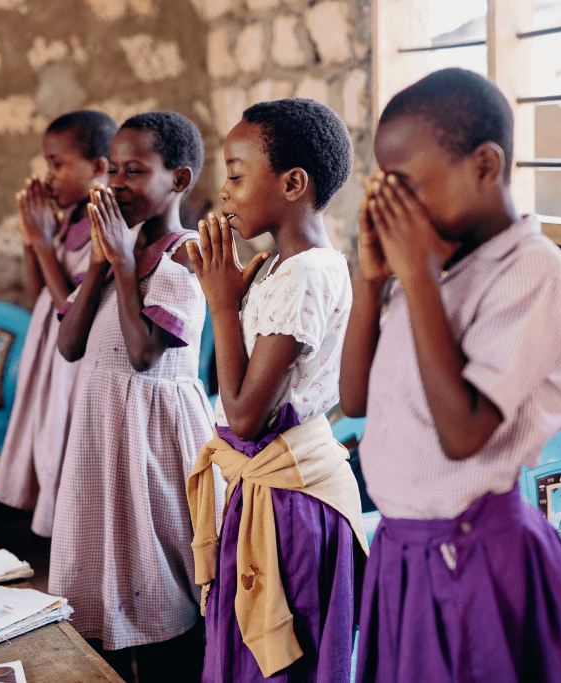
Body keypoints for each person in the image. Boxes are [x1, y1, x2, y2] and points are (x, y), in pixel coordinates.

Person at [340, 68, 561, 683]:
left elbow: (463, 433)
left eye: (411, 188)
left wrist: (417, 277)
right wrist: (373, 282)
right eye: (386, 192)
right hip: (405, 550)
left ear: (484, 165)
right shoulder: (437, 266)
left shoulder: (532, 272)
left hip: (476, 558)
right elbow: (354, 399)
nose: (398, 212)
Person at [185, 98, 368, 683]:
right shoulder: (275, 267)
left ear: (293, 183)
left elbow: (243, 417)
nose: (226, 192)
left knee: (278, 659)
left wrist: (219, 303)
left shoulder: (305, 275)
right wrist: (235, 296)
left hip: (290, 504)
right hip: (271, 486)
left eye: (237, 175)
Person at [51, 111, 213, 682]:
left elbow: (145, 355)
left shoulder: (185, 255)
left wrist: (122, 264)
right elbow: (69, 347)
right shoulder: (117, 249)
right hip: (105, 440)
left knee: (163, 580)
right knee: (113, 580)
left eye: (135, 171)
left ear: (179, 179)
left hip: (155, 445)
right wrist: (101, 262)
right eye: (113, 170)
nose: (117, 184)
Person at [0, 110, 117, 537]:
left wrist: (45, 244)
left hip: (75, 361)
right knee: (45, 442)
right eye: (48, 163)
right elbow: (41, 295)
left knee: (65, 446)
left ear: (98, 168)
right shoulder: (67, 223)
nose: (49, 176)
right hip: (49, 355)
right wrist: (34, 238)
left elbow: (72, 308)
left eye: (58, 164)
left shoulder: (102, 228)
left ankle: (71, 543)